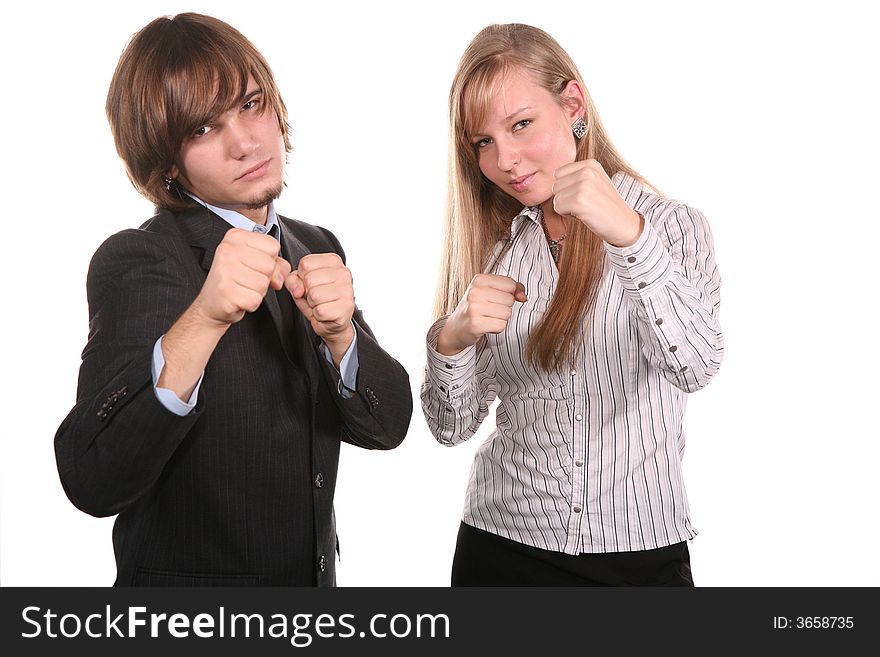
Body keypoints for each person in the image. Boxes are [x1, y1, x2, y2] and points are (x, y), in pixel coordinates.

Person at [54, 13, 412, 586]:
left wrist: (343, 337)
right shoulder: (137, 261)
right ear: (168, 164)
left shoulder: (314, 244)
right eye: (202, 129)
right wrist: (204, 318)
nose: (245, 142)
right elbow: (92, 478)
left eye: (251, 104)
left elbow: (386, 427)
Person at [421, 23, 723, 586]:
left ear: (573, 103)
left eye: (521, 125)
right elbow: (451, 426)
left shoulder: (674, 228)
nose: (505, 159)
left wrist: (631, 238)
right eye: (483, 142)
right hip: (500, 551)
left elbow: (697, 364)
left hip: (641, 555)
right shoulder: (492, 246)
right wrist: (452, 338)